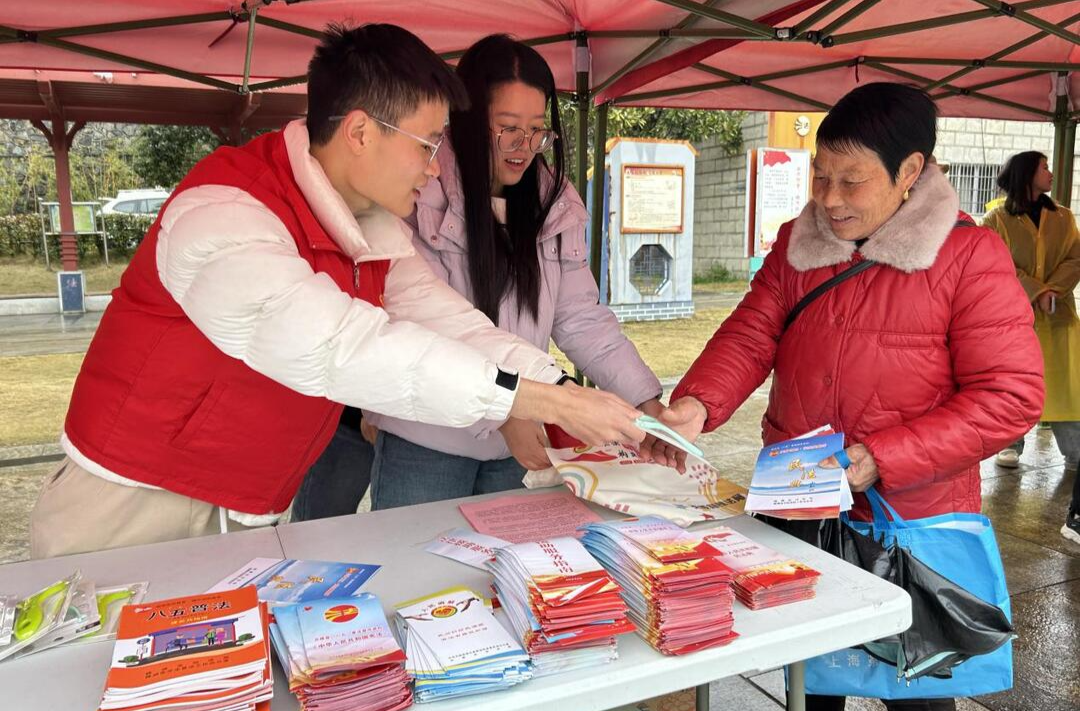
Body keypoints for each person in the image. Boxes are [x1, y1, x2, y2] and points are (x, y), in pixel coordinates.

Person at [29, 23, 646, 559]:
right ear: (360, 132)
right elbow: (341, 348)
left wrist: (558, 389)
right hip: (137, 504)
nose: (436, 168)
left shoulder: (369, 228)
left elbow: (453, 323)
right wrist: (539, 403)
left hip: (247, 506)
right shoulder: (225, 212)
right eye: (428, 145)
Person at [646, 83, 1043, 711]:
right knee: (812, 682)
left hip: (911, 524)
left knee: (915, 685)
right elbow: (753, 330)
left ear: (910, 171)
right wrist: (698, 403)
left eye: (851, 181)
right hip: (803, 507)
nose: (828, 199)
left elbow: (1010, 396)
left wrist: (883, 456)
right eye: (820, 176)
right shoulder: (797, 244)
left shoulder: (969, 255)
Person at [359, 34, 663, 511]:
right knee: (421, 576)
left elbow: (582, 318)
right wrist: (509, 411)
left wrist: (646, 403)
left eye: (538, 130)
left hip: (516, 441)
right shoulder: (419, 193)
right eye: (508, 129)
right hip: (427, 440)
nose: (525, 146)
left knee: (508, 576)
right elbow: (430, 326)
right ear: (465, 120)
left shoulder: (555, 203)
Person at [982, 151, 1080, 544]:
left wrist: (1053, 290)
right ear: (1027, 174)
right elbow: (999, 264)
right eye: (1045, 167)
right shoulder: (997, 220)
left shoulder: (1064, 217)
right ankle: (1010, 443)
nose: (1052, 173)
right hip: (1013, 317)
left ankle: (1073, 447)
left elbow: (1076, 258)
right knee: (1015, 382)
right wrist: (1036, 291)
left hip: (1058, 315)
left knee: (1065, 383)